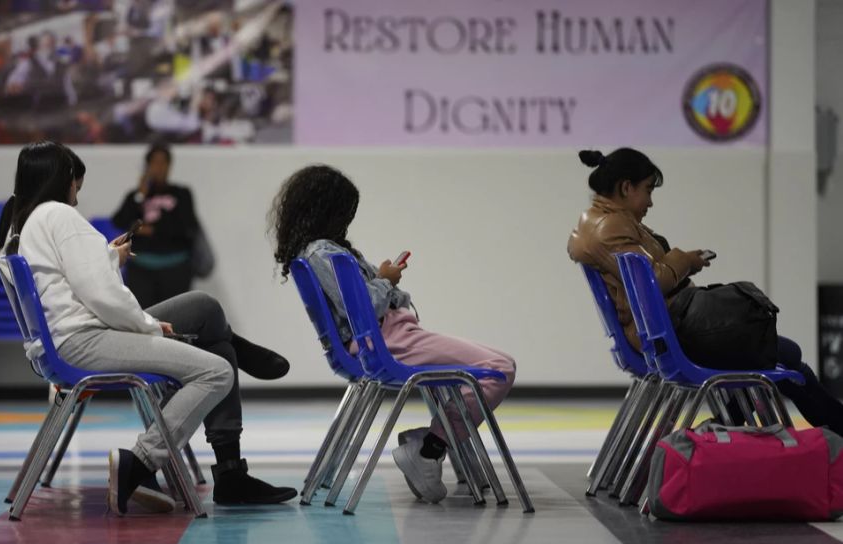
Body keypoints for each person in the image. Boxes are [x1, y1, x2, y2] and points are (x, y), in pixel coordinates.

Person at [0, 141, 296, 515]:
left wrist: (107, 259)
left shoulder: (25, 222)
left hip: (70, 339)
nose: (77, 200)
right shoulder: (59, 216)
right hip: (86, 340)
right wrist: (149, 327)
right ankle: (140, 463)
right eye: (77, 188)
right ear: (64, 179)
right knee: (218, 370)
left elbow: (70, 286)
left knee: (205, 308)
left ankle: (231, 468)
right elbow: (102, 296)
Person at [269, 164, 516, 503]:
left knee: (492, 365)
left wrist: (381, 277)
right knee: (499, 368)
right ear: (328, 211)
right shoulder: (324, 253)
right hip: (386, 342)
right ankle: (429, 449)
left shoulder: (317, 252)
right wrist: (386, 280)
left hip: (385, 339)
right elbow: (362, 307)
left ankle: (431, 443)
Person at [567, 147, 843, 436]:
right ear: (626, 187)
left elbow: (651, 274)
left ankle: (722, 433)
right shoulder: (609, 228)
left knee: (771, 352)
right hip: (667, 333)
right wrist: (684, 261)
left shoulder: (603, 222)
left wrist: (685, 261)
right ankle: (724, 433)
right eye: (647, 190)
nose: (650, 202)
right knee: (783, 354)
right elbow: (654, 280)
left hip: (662, 327)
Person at [112, 142, 198, 309]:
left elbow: (187, 226)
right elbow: (120, 221)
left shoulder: (181, 194)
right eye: (154, 162)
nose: (159, 167)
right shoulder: (136, 196)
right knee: (145, 319)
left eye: (163, 162)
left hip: (175, 267)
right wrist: (140, 196)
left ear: (169, 166)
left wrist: (153, 230)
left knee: (177, 320)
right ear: (148, 166)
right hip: (142, 269)